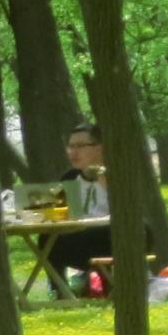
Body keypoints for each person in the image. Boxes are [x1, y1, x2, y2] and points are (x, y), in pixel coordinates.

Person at [45, 123, 114, 292]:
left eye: (80, 146)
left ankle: (110, 289)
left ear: (99, 148)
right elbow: (57, 213)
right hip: (79, 238)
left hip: (112, 236)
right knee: (47, 238)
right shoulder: (70, 178)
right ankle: (60, 292)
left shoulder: (115, 174)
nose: (73, 152)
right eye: (71, 147)